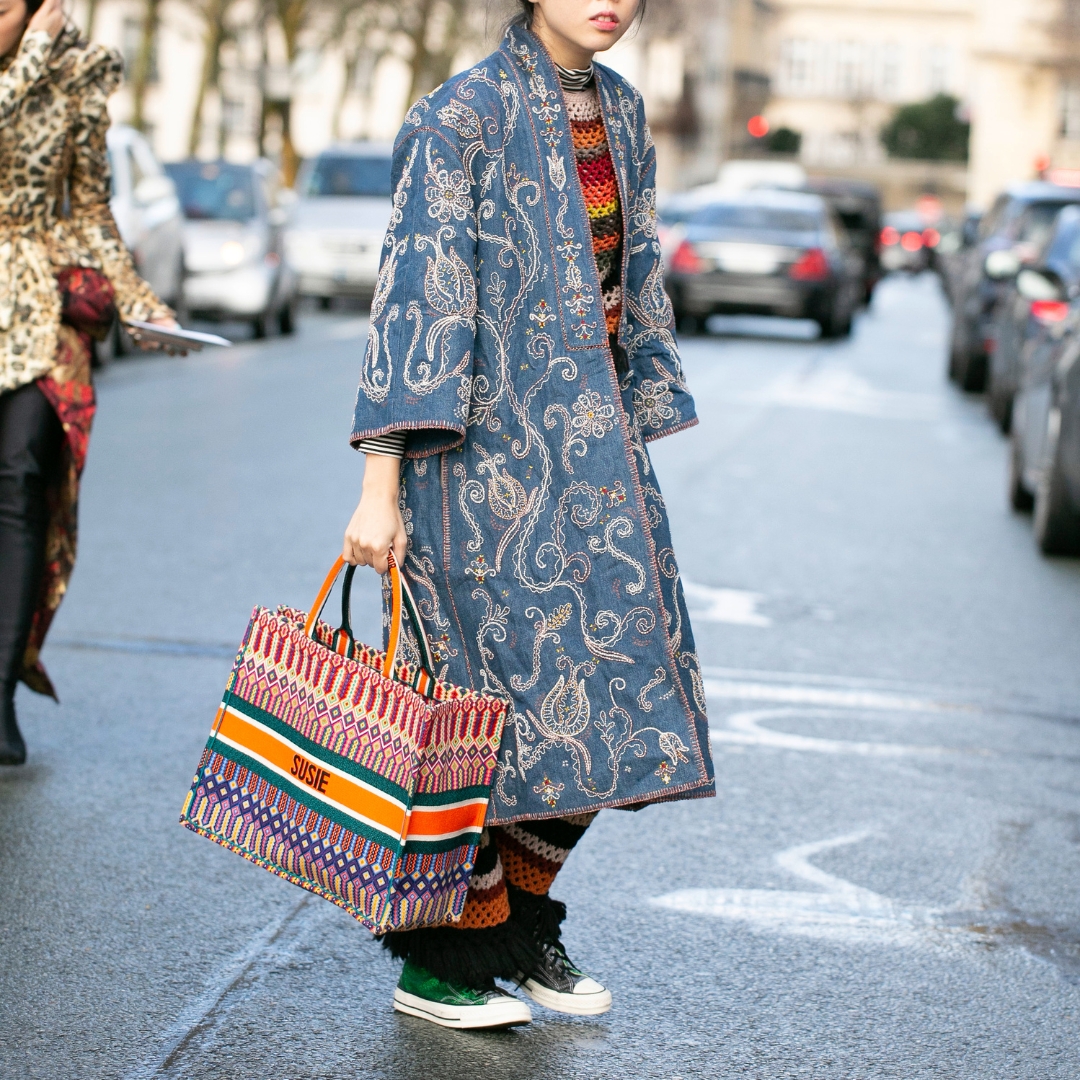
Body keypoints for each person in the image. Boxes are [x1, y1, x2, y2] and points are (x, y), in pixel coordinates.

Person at [343, 0, 715, 1029]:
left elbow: (633, 279)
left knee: (619, 692)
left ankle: (518, 921)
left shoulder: (625, 110)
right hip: (476, 467)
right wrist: (381, 488)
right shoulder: (456, 116)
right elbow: (416, 298)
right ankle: (443, 961)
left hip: (595, 462)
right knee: (484, 719)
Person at [0, 0, 176, 765]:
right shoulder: (41, 61)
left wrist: (141, 305)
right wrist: (30, 56)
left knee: (22, 484)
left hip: (34, 314)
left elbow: (92, 210)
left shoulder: (78, 73)